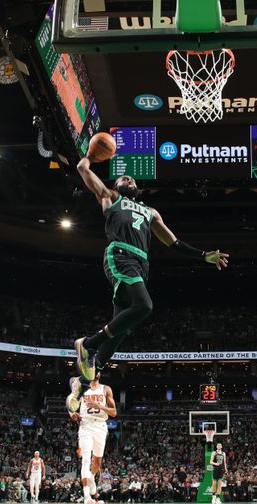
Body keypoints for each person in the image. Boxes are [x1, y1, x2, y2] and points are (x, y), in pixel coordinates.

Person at [67, 156, 229, 413]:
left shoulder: (150, 212)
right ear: (117, 186)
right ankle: (87, 344)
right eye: (123, 178)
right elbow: (83, 171)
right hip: (120, 255)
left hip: (141, 263)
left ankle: (83, 383)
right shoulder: (111, 198)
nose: (129, 178)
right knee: (144, 306)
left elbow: (173, 242)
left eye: (131, 179)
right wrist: (87, 159)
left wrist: (202, 255)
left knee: (121, 331)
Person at [70, 372, 117, 504]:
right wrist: (73, 415)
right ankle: (87, 496)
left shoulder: (106, 389)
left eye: (97, 369)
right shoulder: (81, 388)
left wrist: (99, 406)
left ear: (100, 373)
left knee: (97, 463)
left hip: (101, 426)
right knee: (85, 459)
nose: (95, 371)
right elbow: (72, 407)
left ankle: (91, 483)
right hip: (85, 425)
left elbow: (114, 412)